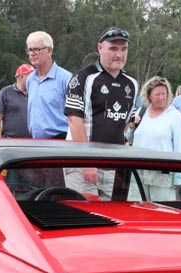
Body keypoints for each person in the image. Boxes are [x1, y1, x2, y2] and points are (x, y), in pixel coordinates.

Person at [64, 27, 138, 198]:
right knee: (86, 219)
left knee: (112, 219)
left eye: (123, 49)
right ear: (100, 48)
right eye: (113, 48)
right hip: (82, 163)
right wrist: (88, 163)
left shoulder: (132, 83)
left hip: (113, 166)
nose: (119, 55)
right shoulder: (82, 78)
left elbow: (125, 124)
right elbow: (74, 121)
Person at [131, 76, 181, 201]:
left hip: (163, 173)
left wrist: (179, 175)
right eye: (157, 94)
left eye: (164, 94)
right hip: (139, 171)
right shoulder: (142, 111)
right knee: (137, 208)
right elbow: (131, 136)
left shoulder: (174, 115)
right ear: (149, 95)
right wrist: (131, 124)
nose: (161, 98)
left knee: (162, 211)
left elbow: (180, 146)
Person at [25, 31, 71, 139]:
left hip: (60, 142)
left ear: (49, 50)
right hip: (35, 141)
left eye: (36, 49)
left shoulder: (67, 79)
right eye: (29, 50)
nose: (32, 53)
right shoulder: (30, 80)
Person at [0, 63, 34, 138]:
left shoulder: (35, 93)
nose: (33, 79)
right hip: (11, 141)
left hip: (32, 142)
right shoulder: (6, 92)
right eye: (30, 76)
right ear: (20, 76)